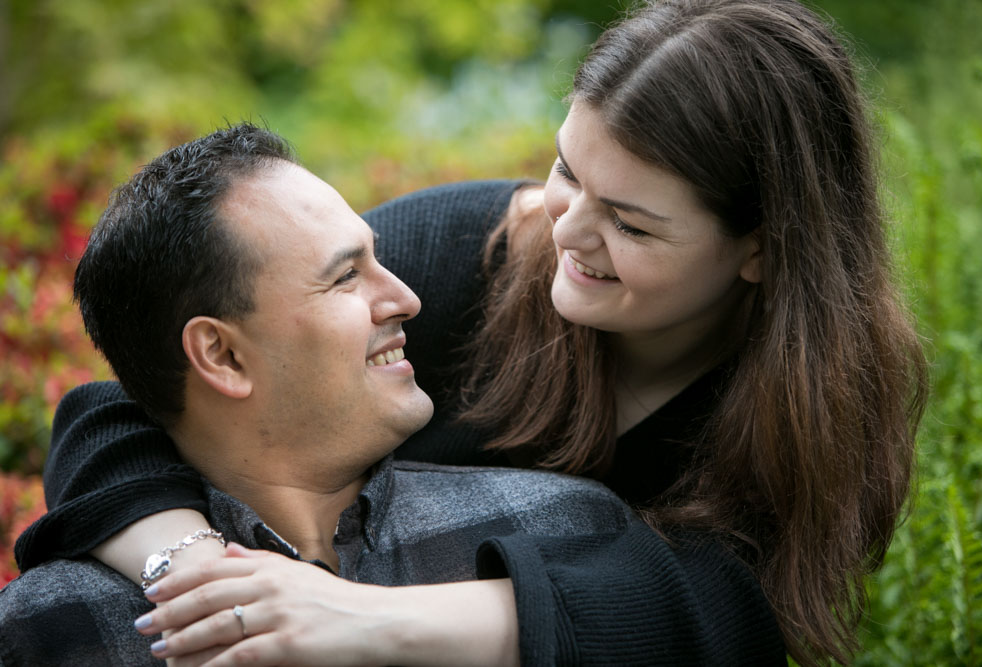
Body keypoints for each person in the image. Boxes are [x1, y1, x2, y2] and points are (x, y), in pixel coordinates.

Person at [13, 0, 928, 664]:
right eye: (568, 169)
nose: (568, 231)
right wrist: (217, 583)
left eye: (632, 223)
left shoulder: (820, 395)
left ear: (762, 251)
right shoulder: (469, 251)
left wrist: (363, 618)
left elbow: (724, 619)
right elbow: (137, 401)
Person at [0, 124, 638, 666]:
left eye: (377, 259)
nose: (407, 299)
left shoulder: (567, 532)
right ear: (222, 356)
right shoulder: (53, 627)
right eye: (345, 276)